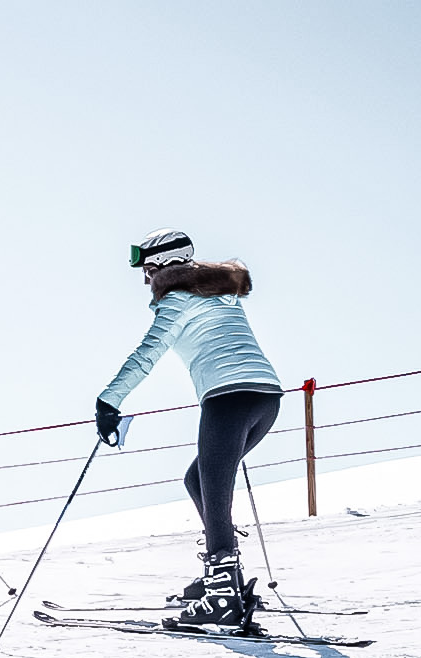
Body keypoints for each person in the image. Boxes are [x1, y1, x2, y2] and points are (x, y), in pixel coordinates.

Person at [94, 229, 284, 629]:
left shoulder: (177, 300)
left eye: (147, 268)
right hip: (265, 399)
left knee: (213, 490)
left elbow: (148, 353)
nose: (145, 278)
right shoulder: (221, 293)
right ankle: (224, 579)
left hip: (228, 399)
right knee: (198, 480)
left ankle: (222, 598)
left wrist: (109, 401)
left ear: (163, 264)